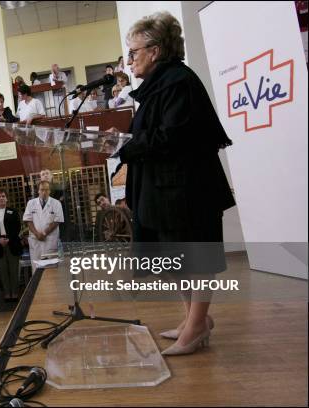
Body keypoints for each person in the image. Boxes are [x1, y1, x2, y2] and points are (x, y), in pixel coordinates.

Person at [115, 11, 235, 356]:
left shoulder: (178, 81)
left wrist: (126, 144)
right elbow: (152, 135)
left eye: (133, 52)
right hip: (164, 190)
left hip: (187, 191)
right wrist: (121, 140)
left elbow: (170, 137)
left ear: (155, 50)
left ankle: (197, 325)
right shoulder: (158, 84)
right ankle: (193, 319)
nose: (129, 61)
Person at [0, 188, 23, 300]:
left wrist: (9, 239)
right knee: (3, 270)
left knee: (13, 269)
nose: (1, 198)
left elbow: (17, 227)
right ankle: (7, 293)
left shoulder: (13, 211)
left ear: (6, 199)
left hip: (12, 243)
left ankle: (15, 293)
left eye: (3, 196)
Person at [23, 181, 64, 271]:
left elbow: (57, 221)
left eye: (46, 190)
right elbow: (28, 220)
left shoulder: (56, 203)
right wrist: (37, 234)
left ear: (49, 191)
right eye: (42, 190)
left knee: (51, 269)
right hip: (35, 240)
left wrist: (44, 233)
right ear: (38, 191)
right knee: (36, 269)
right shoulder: (31, 203)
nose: (44, 192)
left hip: (50, 240)